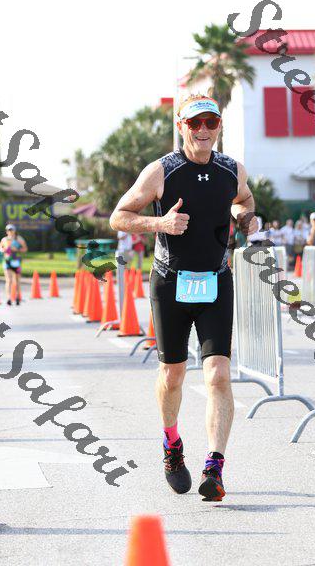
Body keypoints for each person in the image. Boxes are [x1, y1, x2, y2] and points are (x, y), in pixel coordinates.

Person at [109, 94, 258, 501]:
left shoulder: (232, 169)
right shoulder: (161, 171)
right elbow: (119, 216)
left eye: (211, 121)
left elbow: (244, 199)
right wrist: (160, 223)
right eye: (195, 123)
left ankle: (215, 467)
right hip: (170, 282)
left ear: (219, 125)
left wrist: (245, 216)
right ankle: (172, 445)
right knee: (172, 375)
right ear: (181, 126)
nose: (204, 129)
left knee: (218, 374)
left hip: (216, 282)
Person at [0, 224, 28, 305]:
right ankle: (9, 298)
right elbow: (0, 247)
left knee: (17, 280)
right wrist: (2, 250)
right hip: (7, 261)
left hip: (16, 262)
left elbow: (25, 249)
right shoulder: (4, 239)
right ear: (6, 231)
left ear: (14, 231)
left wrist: (17, 249)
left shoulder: (19, 239)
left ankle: (17, 297)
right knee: (9, 280)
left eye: (11, 230)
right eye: (8, 230)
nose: (10, 231)